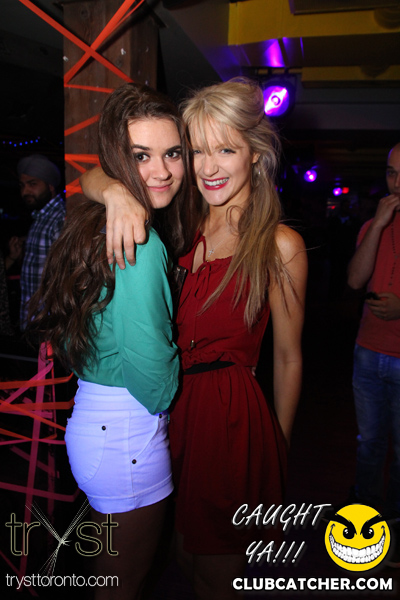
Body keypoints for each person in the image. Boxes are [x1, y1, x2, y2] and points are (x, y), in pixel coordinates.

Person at [81, 77, 307, 600]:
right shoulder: (182, 219)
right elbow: (92, 175)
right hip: (168, 415)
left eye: (225, 149)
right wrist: (115, 192)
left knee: (217, 574)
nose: (208, 167)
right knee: (181, 557)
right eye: (197, 150)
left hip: (229, 421)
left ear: (255, 153)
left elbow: (289, 359)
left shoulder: (279, 244)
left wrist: (276, 449)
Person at [28, 82, 196, 600]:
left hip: (98, 424)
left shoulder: (95, 222)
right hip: (127, 433)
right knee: (124, 587)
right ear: (118, 159)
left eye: (173, 153)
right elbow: (154, 379)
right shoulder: (140, 242)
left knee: (113, 580)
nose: (161, 171)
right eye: (141, 156)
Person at [347, 144, 400, 542]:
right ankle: (366, 511)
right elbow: (354, 280)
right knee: (369, 443)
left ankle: (395, 520)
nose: (396, 183)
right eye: (391, 173)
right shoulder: (373, 226)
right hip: (368, 351)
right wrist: (378, 226)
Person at [17, 154, 66, 330]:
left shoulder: (59, 218)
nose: (25, 192)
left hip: (48, 323)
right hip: (34, 319)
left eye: (32, 184)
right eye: (22, 186)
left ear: (50, 186)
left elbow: (65, 277)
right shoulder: (41, 217)